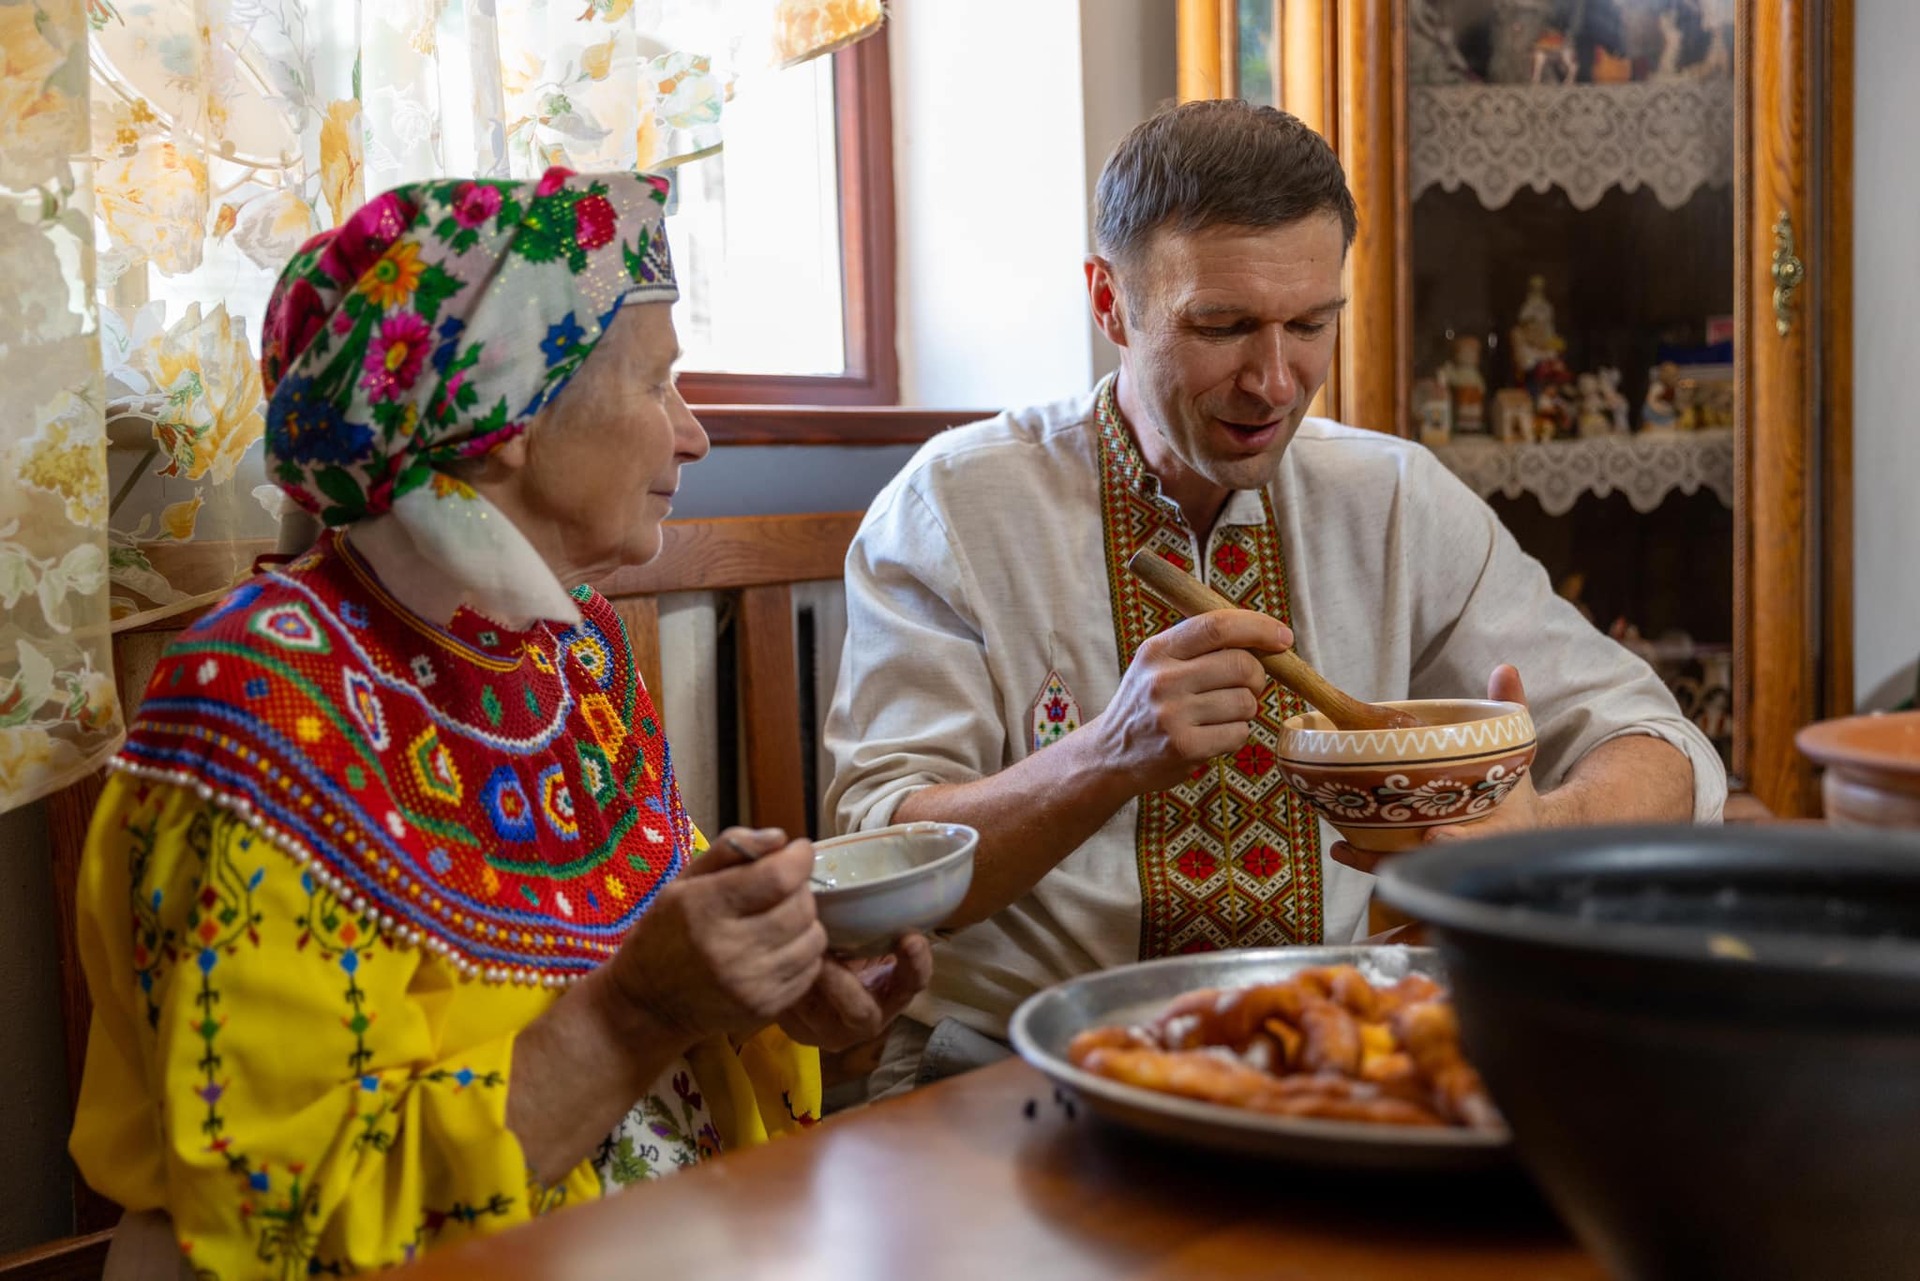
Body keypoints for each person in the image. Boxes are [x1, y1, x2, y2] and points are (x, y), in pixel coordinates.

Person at [70, 168, 931, 1278]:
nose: (694, 437)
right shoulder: (256, 706)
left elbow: (636, 990)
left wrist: (773, 992)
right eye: (659, 385)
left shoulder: (574, 646)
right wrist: (637, 1013)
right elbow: (287, 1224)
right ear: (508, 411)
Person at [823, 101, 1723, 1099]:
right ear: (1109, 302)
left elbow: (1655, 742)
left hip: (1322, 1063)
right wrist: (1103, 756)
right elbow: (877, 861)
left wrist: (1549, 829)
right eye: (1223, 326)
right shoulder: (955, 504)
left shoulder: (1393, 499)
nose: (1274, 380)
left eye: (1311, 324)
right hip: (1012, 1070)